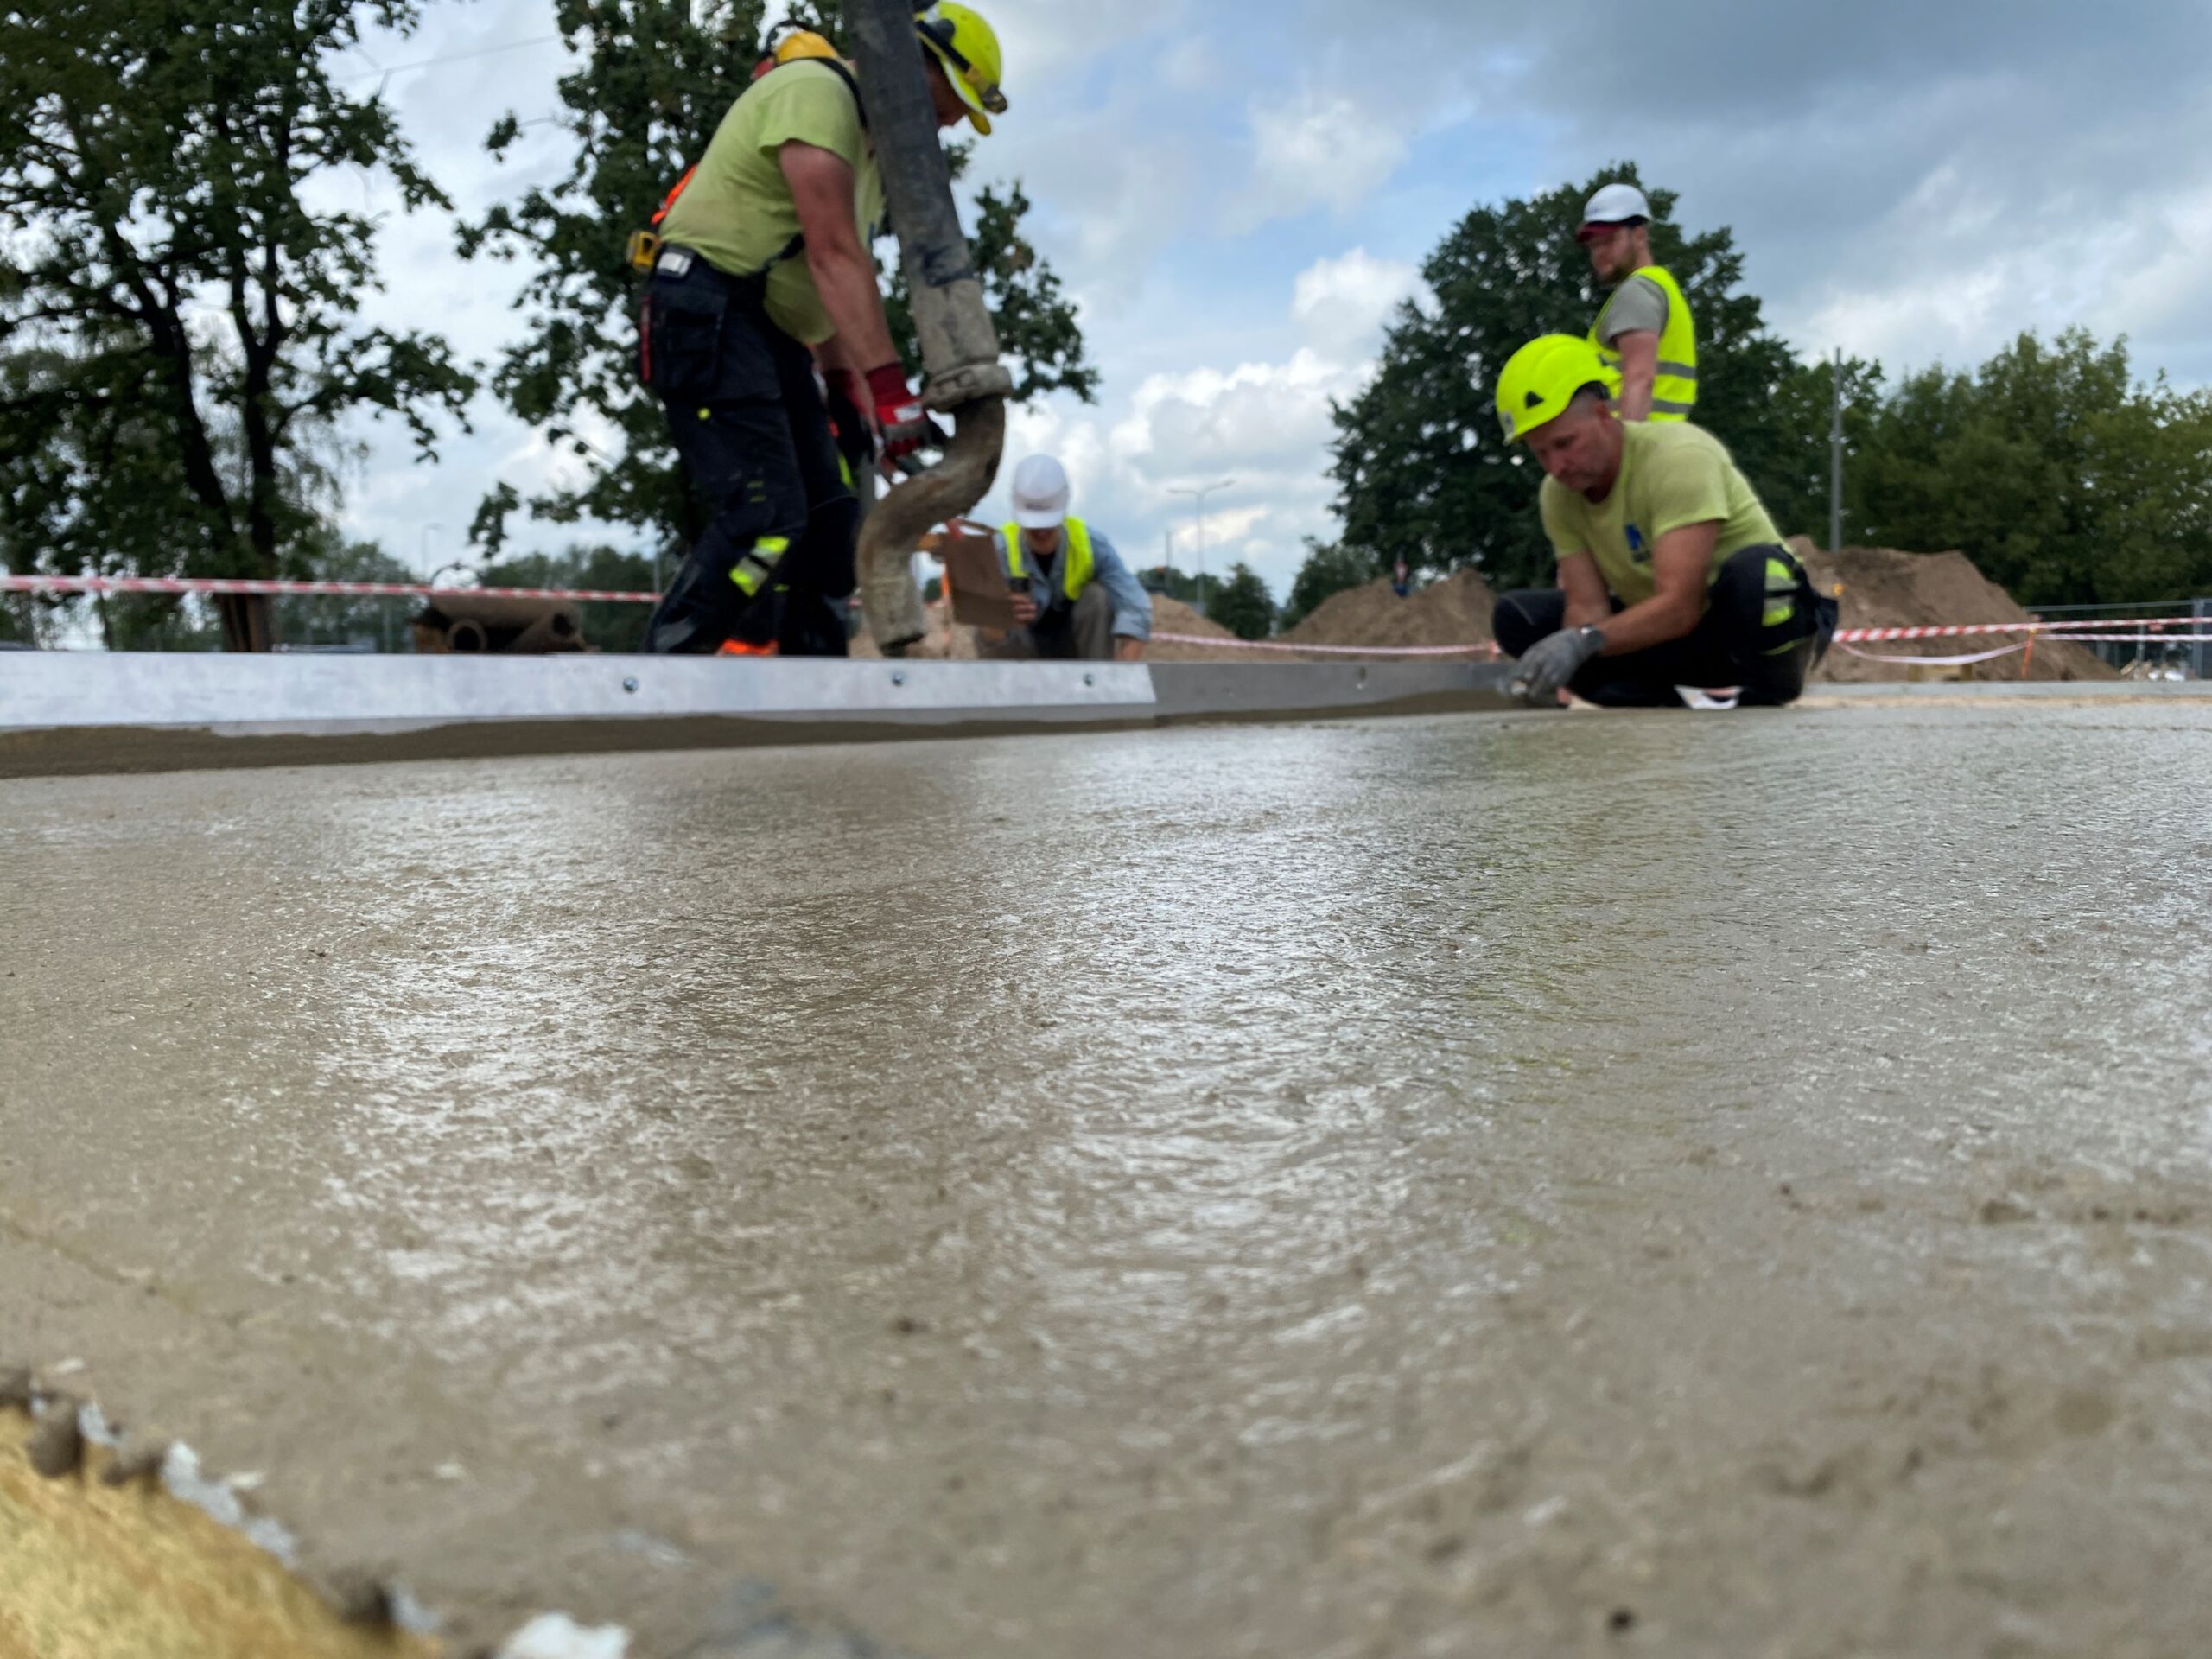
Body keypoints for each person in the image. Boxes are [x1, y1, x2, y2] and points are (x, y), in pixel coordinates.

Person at [637, 5, 1007, 656]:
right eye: (948, 104)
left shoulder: (866, 154)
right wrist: (891, 392)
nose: (948, 124)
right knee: (764, 519)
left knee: (831, 522)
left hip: (770, 331)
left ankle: (813, 682)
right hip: (705, 304)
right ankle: (663, 673)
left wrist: (850, 394)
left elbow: (824, 284)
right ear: (911, 66)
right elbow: (833, 255)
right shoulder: (816, 92)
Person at [1490, 334, 1834, 709]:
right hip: (1668, 638)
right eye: (1541, 453)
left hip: (1747, 630)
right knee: (1516, 618)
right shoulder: (1557, 496)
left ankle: (1770, 690)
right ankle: (1653, 707)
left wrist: (1585, 641)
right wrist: (1560, 662)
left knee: (1760, 573)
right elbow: (1587, 609)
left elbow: (1681, 607)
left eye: (1564, 444)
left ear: (1604, 415)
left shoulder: (1677, 457)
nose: (1556, 466)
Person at [984, 455, 1152, 662]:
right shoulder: (997, 550)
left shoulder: (1091, 545)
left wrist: (1120, 673)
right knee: (991, 607)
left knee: (1097, 598)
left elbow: (1135, 607)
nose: (1041, 531)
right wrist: (997, 611)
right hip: (1019, 653)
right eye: (1034, 525)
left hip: (1074, 648)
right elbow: (978, 619)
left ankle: (1096, 678)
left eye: (1047, 523)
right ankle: (1004, 680)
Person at [1577, 182, 1695, 424]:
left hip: (1641, 439)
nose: (1599, 253)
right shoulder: (1662, 286)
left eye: (1609, 240)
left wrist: (1629, 444)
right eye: (1594, 245)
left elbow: (1640, 379)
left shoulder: (1637, 291)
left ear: (1640, 235)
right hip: (1663, 436)